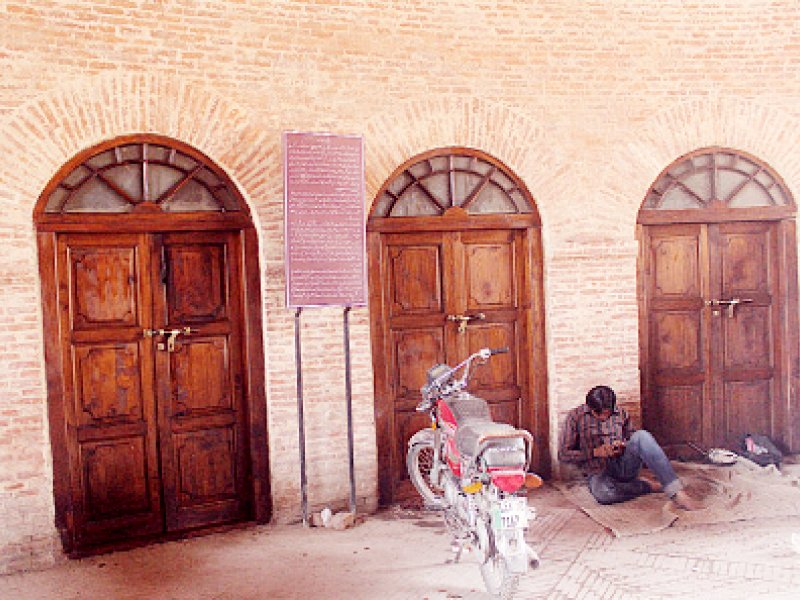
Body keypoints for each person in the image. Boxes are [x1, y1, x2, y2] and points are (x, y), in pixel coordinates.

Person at [558, 385, 702, 510]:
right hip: (597, 471)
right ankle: (647, 486)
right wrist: (595, 452)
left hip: (623, 466)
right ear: (590, 408)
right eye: (599, 414)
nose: (603, 418)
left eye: (607, 414)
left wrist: (622, 445)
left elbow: (632, 439)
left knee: (642, 436)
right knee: (604, 494)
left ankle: (678, 493)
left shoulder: (621, 413)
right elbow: (563, 454)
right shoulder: (575, 417)